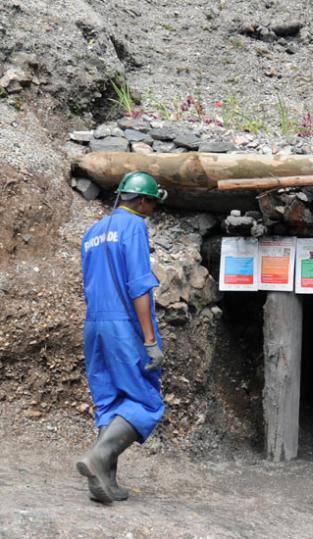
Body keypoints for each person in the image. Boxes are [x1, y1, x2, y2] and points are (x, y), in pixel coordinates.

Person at [75, 171, 167, 504]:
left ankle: (104, 484)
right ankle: (98, 458)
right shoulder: (134, 226)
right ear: (142, 201)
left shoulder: (93, 232)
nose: (152, 209)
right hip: (123, 327)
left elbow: (87, 283)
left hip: (94, 325)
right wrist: (148, 340)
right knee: (146, 401)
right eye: (152, 202)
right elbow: (139, 285)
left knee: (110, 401)